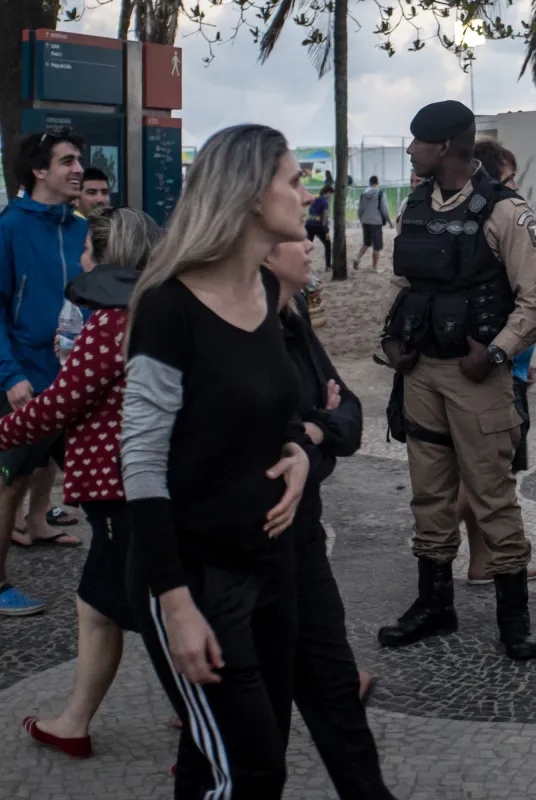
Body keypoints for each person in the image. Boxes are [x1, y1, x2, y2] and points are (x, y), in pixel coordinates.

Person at [121, 124, 312, 799]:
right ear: (252, 193)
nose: (306, 194)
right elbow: (140, 462)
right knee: (251, 768)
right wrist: (175, 603)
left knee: (234, 763)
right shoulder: (169, 307)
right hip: (194, 574)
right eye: (293, 179)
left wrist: (299, 455)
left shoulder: (269, 292)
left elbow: (269, 408)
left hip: (271, 565)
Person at [376, 100, 536, 660]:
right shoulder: (415, 205)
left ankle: (513, 618)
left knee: (492, 495)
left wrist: (498, 353)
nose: (410, 151)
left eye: (418, 143)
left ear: (447, 145)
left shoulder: (504, 211)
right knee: (429, 496)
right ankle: (434, 604)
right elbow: (402, 282)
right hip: (421, 372)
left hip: (476, 376)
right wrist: (392, 338)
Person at [11, 208, 160, 757]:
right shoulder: (156, 311)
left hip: (119, 484)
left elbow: (61, 403)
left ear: (105, 258)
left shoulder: (110, 323)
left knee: (126, 604)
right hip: (142, 481)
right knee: (118, 602)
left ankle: (208, 715)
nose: (79, 260)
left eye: (86, 251)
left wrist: (5, 428)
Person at [267, 238, 397, 800]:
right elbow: (273, 450)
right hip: (249, 552)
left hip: (304, 541)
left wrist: (315, 430)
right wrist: (316, 430)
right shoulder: (233, 329)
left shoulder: (293, 317)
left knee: (337, 693)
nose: (310, 246)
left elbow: (349, 419)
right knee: (253, 727)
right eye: (296, 234)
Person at [0, 130, 89, 616]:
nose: (78, 169)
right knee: (9, 482)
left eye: (78, 160)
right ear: (39, 171)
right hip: (23, 376)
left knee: (92, 473)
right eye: (67, 161)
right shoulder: (10, 226)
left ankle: (121, 581)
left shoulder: (77, 227)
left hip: (69, 375)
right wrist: (10, 374)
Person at [460, 139, 536, 586]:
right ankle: (496, 556)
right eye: (509, 180)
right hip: (495, 373)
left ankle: (482, 560)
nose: (516, 189)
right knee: (490, 477)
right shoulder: (499, 226)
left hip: (511, 370)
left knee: (485, 475)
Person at [354, 176, 392, 272]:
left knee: (366, 242)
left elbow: (360, 209)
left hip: (365, 221)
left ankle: (357, 258)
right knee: (377, 245)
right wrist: (390, 222)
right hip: (376, 222)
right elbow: (384, 210)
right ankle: (374, 267)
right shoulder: (380, 193)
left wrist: (362, 219)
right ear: (377, 183)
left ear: (369, 182)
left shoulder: (363, 194)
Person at [306, 185, 333, 272]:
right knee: (327, 245)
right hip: (318, 226)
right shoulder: (325, 202)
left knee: (307, 245)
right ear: (328, 192)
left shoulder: (315, 199)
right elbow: (324, 217)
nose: (331, 197)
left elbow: (310, 211)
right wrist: (326, 230)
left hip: (309, 224)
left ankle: (300, 263)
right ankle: (328, 266)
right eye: (331, 194)